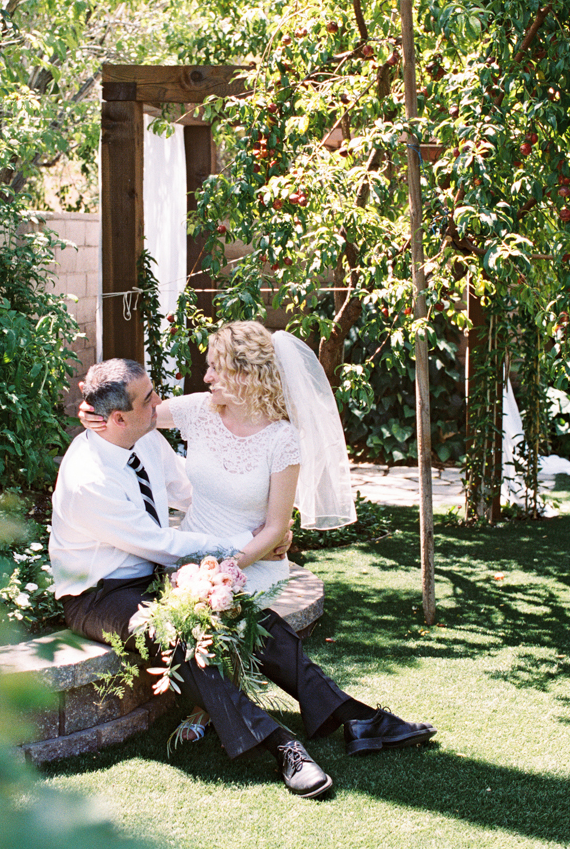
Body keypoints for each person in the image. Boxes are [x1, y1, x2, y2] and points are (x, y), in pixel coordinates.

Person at [51, 343, 436, 800]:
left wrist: (265, 532)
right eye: (150, 398)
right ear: (116, 419)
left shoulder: (144, 437)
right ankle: (283, 745)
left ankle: (355, 717)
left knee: (250, 616)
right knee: (178, 636)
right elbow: (162, 543)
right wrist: (245, 547)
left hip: (150, 574)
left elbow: (186, 490)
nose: (160, 403)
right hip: (98, 594)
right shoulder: (88, 477)